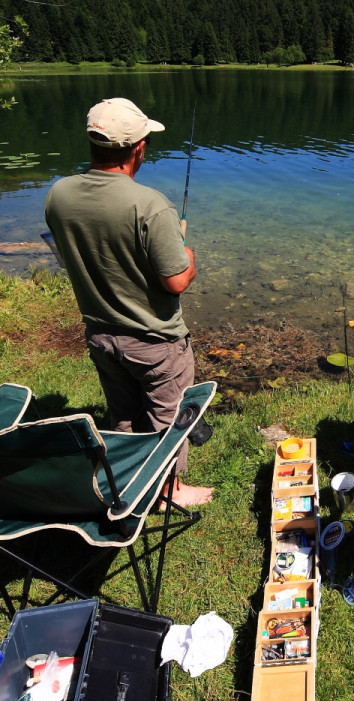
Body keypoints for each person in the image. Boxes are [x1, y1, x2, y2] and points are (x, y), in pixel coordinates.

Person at [45, 97, 213, 507]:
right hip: (155, 340)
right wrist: (187, 258)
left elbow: (73, 256)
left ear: (93, 143)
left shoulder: (59, 195)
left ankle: (126, 473)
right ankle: (168, 490)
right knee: (168, 417)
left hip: (100, 334)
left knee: (122, 411)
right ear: (138, 148)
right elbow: (175, 282)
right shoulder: (151, 206)